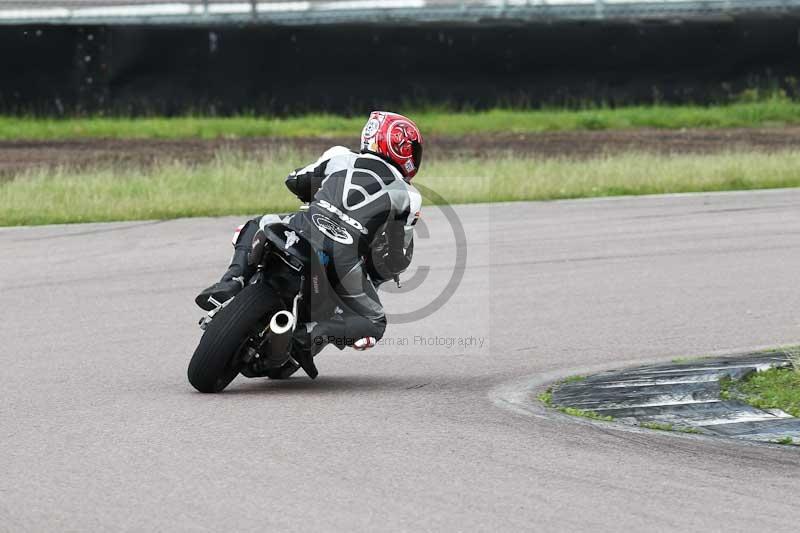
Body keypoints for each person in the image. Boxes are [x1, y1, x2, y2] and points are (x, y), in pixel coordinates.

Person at [196, 110, 423, 359]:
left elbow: (295, 180)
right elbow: (397, 258)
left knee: (259, 223)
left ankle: (232, 281)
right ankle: (316, 332)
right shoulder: (409, 196)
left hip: (302, 228)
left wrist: (319, 192)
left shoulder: (339, 157)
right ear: (404, 151)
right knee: (374, 321)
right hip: (344, 261)